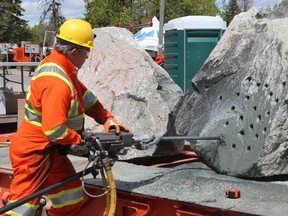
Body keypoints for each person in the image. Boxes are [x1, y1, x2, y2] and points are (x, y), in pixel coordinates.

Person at [5, 19, 130, 216]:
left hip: (51, 150)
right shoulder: (57, 82)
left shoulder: (62, 69)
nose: (87, 57)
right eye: (86, 52)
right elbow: (54, 130)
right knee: (21, 210)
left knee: (71, 197)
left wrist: (106, 118)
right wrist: (82, 141)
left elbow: (86, 98)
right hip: (35, 153)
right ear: (73, 52)